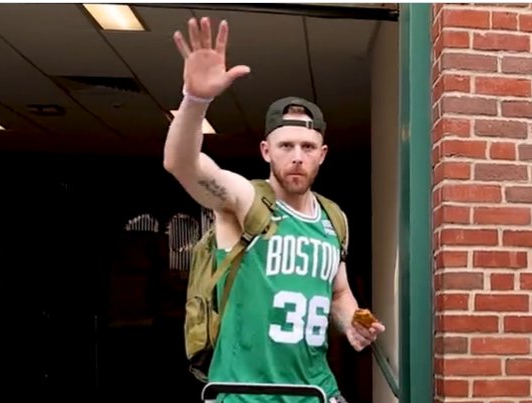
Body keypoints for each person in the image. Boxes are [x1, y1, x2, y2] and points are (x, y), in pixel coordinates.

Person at [163, 16, 386, 403]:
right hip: (246, 394)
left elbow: (338, 293)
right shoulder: (245, 200)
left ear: (322, 155)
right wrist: (195, 100)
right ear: (267, 151)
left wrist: (351, 320)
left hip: (317, 393)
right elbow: (181, 164)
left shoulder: (334, 218)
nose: (297, 157)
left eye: (307, 147)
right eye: (285, 146)